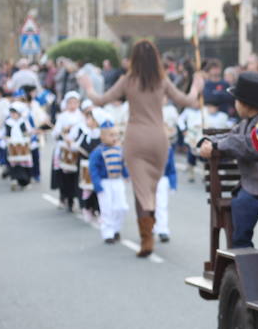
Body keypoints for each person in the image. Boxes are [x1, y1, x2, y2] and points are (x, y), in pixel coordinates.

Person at [81, 40, 203, 257]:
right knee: (153, 188)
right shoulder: (162, 81)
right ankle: (153, 226)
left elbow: (101, 100)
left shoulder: (128, 80)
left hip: (135, 138)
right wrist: (196, 86)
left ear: (134, 59)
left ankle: (147, 239)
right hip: (158, 137)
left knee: (141, 190)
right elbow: (186, 100)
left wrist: (88, 87)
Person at [196, 71, 258, 248]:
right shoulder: (243, 124)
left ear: (245, 104)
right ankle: (244, 256)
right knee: (241, 222)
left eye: (237, 100)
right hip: (251, 187)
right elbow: (229, 136)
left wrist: (218, 146)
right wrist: (210, 142)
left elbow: (249, 144)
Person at [89, 127, 128, 244]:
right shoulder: (97, 152)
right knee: (107, 208)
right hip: (105, 182)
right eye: (111, 135)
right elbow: (93, 169)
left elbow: (123, 164)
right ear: (102, 137)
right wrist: (97, 185)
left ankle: (116, 228)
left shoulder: (119, 149)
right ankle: (108, 233)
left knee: (122, 207)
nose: (115, 138)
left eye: (116, 135)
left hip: (117, 182)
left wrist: (127, 175)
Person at [3, 102, 35, 190]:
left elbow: (29, 132)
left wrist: (29, 135)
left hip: (23, 147)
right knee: (14, 164)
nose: (13, 114)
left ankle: (25, 182)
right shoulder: (8, 122)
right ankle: (15, 180)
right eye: (11, 112)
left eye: (15, 112)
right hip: (12, 147)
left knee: (24, 165)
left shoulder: (24, 122)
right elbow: (5, 134)